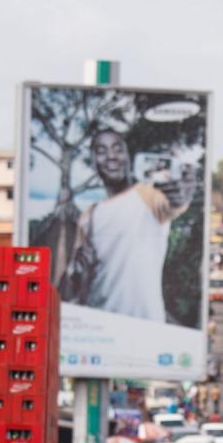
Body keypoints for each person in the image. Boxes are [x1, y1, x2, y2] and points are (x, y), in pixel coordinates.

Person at [57, 128, 197, 325]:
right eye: (102, 151)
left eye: (117, 149)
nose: (111, 157)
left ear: (128, 156)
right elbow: (77, 278)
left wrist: (182, 193)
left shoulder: (147, 194)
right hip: (98, 327)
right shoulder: (91, 214)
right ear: (94, 161)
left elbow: (174, 202)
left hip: (144, 327)